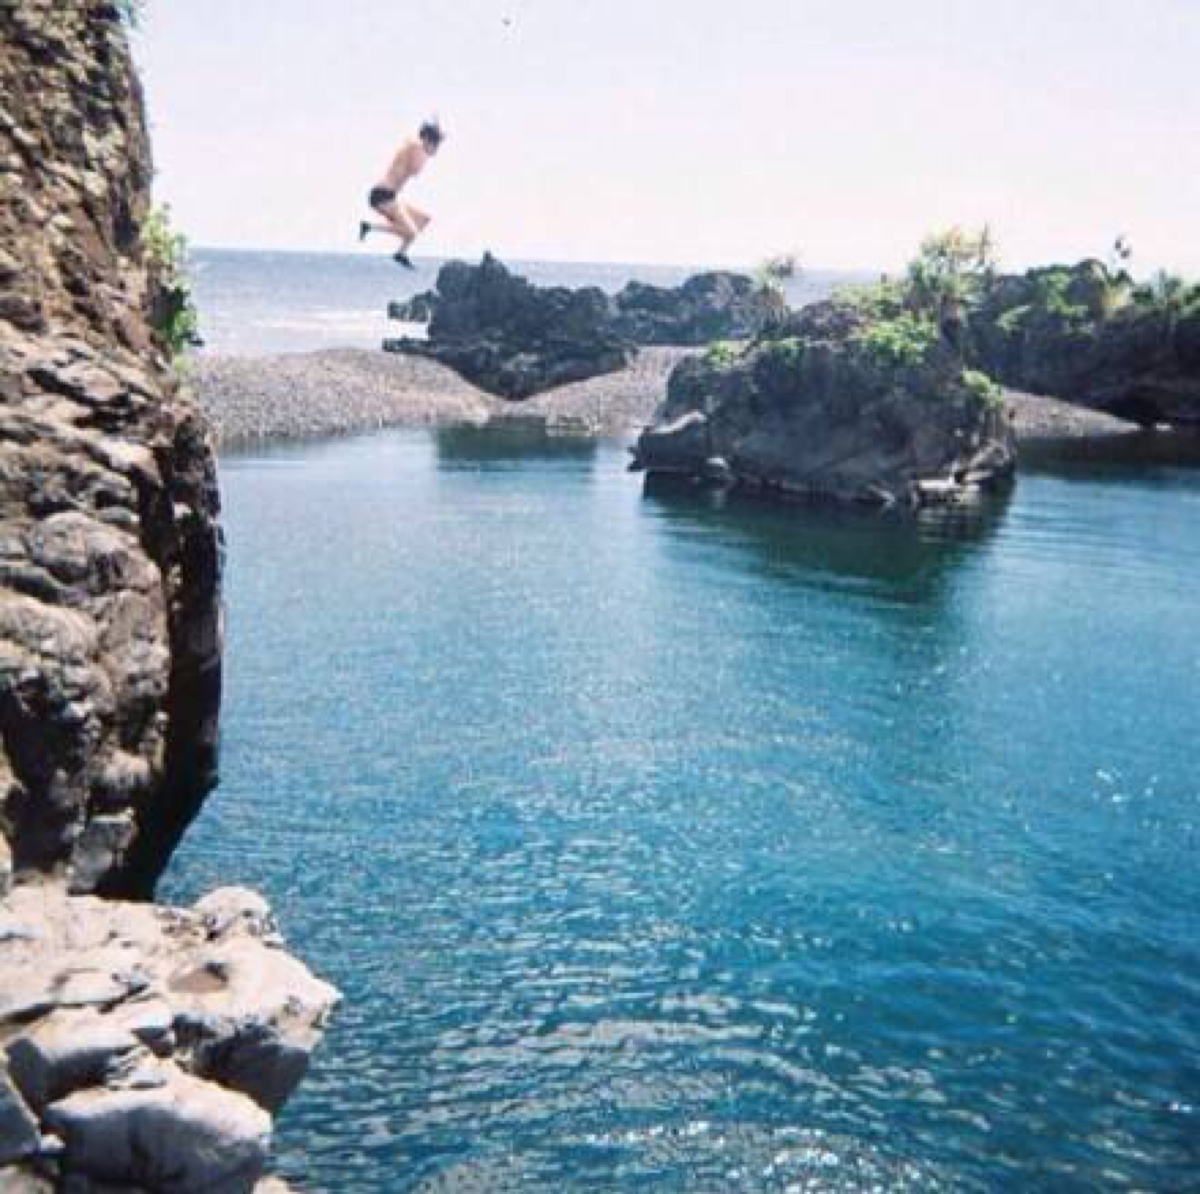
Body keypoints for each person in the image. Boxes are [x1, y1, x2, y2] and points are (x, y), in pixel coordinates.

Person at [359, 120, 445, 268]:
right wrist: (426, 155)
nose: (436, 150)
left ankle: (401, 252)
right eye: (435, 145)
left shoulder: (416, 146)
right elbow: (415, 170)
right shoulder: (417, 147)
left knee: (424, 219)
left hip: (390, 196)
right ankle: (371, 228)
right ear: (428, 140)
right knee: (411, 233)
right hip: (382, 195)